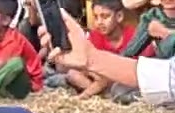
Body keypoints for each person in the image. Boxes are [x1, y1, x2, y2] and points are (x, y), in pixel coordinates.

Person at [45, 8, 175, 106]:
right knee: (67, 75)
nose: (100, 22)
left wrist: (82, 97)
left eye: (105, 16)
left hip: (126, 80)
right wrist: (88, 59)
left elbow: (156, 76)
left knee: (118, 91)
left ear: (119, 16)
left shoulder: (131, 34)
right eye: (96, 17)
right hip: (107, 75)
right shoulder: (95, 36)